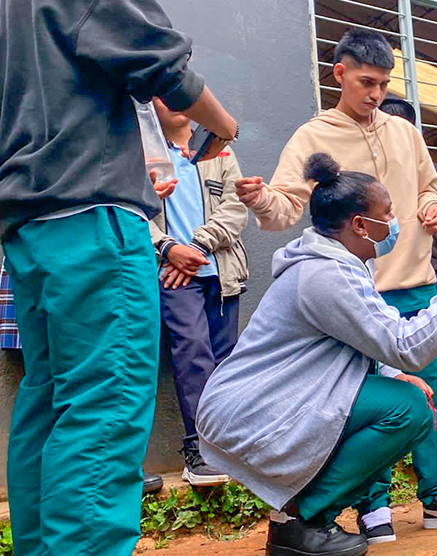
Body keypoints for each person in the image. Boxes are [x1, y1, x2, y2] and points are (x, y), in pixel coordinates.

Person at [0, 1, 238, 555]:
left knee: (50, 397)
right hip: (95, 215)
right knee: (105, 401)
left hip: (29, 228)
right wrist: (222, 126)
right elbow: (160, 63)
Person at [197, 153, 437, 556]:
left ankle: (304, 519)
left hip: (281, 398)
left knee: (407, 397)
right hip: (254, 410)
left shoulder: (342, 264)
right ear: (360, 224)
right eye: (386, 213)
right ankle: (300, 522)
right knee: (408, 410)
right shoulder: (326, 275)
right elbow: (406, 344)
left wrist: (393, 373)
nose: (393, 223)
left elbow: (367, 337)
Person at [233, 28, 437, 540]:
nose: (375, 94)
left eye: (383, 83)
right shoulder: (312, 138)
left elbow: (428, 185)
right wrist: (259, 200)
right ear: (340, 75)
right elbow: (284, 209)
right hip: (354, 293)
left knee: (430, 390)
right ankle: (372, 505)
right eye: (366, 82)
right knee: (365, 397)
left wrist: (431, 206)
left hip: (416, 280)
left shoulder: (403, 131)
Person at [149, 97, 250, 486]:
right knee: (192, 355)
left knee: (225, 360)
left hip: (221, 271)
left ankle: (227, 448)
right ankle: (199, 450)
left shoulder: (219, 149)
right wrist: (168, 250)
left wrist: (199, 245)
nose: (171, 102)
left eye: (177, 93)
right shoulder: (145, 154)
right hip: (173, 275)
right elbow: (135, 213)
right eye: (160, 96)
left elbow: (235, 207)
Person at [379, 95, 437, 290]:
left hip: (424, 262)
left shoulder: (424, 163)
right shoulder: (368, 164)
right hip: (379, 267)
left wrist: (430, 205)